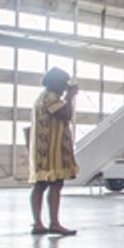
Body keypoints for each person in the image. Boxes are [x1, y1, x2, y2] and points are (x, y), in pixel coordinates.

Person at [28, 68, 80, 236]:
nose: (65, 88)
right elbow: (65, 115)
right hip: (50, 150)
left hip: (45, 149)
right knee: (54, 185)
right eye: (64, 85)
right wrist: (70, 97)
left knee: (41, 185)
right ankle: (53, 222)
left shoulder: (42, 98)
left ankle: (38, 222)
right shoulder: (50, 98)